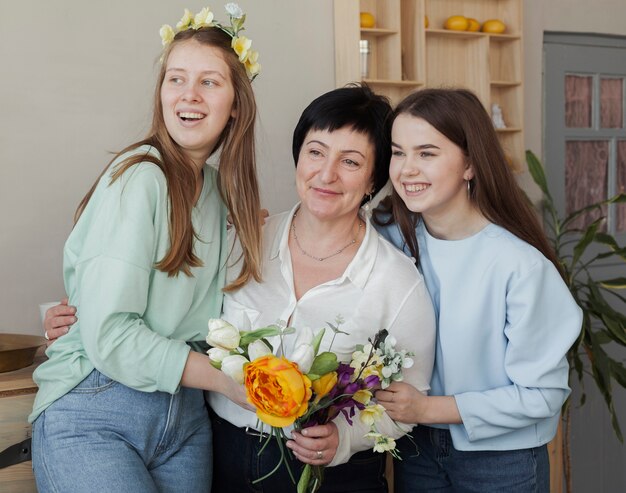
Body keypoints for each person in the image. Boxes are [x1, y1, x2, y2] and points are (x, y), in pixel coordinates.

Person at [44, 85, 437, 493]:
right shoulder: (242, 239)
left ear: (374, 179)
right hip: (220, 455)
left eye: (350, 162)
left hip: (335, 476)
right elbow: (171, 306)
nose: (326, 174)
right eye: (316, 152)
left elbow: (406, 402)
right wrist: (82, 315)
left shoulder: (397, 281)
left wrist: (344, 438)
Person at [30, 6, 263, 492]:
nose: (189, 95)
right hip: (98, 410)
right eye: (176, 79)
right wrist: (226, 381)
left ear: (236, 103)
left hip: (184, 418)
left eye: (209, 82)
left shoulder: (221, 194)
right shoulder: (141, 177)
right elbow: (111, 335)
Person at [373, 88, 583, 493]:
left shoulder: (520, 267)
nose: (406, 169)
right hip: (415, 448)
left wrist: (429, 408)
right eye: (399, 152)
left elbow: (542, 396)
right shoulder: (391, 237)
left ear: (469, 164)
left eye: (427, 153)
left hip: (501, 462)